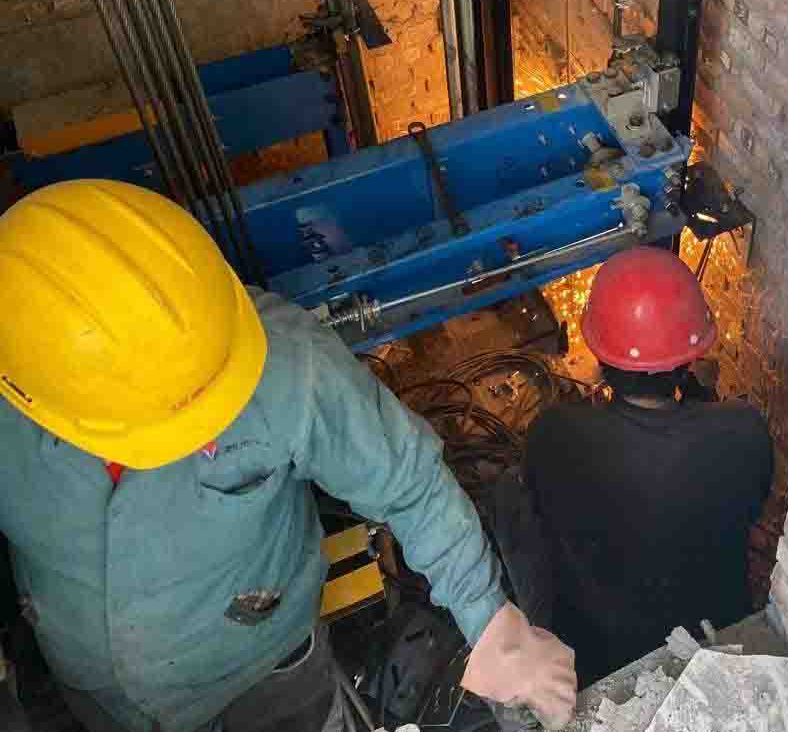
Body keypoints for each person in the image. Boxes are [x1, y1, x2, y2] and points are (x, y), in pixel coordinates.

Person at [0, 180, 576, 732]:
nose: (212, 418)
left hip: (269, 665)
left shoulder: (277, 357)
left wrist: (492, 623)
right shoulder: (18, 395)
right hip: (98, 691)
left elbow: (407, 483)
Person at [519, 246, 774, 687]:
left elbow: (543, 507)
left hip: (599, 653)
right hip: (714, 636)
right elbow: (749, 503)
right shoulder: (743, 429)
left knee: (509, 497)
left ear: (600, 356)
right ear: (688, 360)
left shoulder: (553, 434)